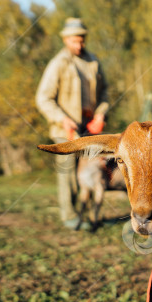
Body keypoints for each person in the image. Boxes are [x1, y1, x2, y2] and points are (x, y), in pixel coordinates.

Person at [36, 18, 109, 230]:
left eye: (82, 40)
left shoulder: (93, 61)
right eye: (74, 41)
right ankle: (70, 216)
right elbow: (43, 98)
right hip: (65, 129)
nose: (79, 45)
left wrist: (101, 115)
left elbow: (104, 92)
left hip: (89, 127)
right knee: (67, 172)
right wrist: (62, 119)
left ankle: (82, 214)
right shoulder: (58, 63)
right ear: (66, 40)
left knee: (85, 172)